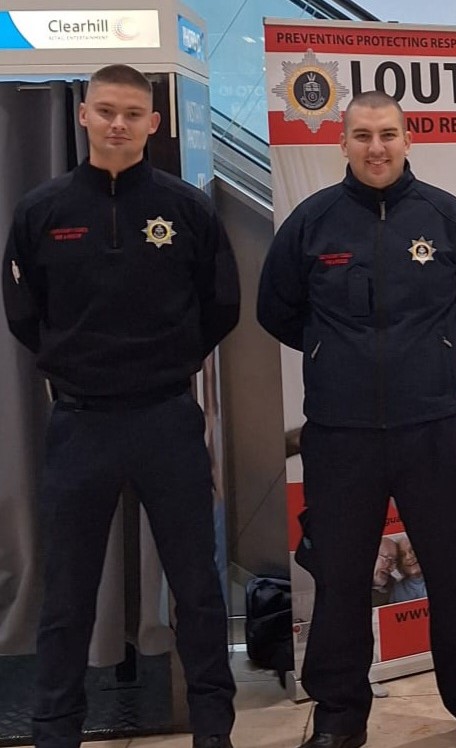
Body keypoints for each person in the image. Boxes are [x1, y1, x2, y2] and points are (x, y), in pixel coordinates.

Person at [256, 90, 456, 748]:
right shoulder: (311, 222)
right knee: (341, 581)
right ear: (342, 143)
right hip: (341, 434)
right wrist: (335, 354)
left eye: (388, 134)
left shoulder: (448, 218)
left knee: (455, 573)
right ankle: (338, 722)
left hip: (435, 426)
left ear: (407, 139)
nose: (376, 147)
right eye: (363, 135)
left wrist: (433, 354)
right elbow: (276, 310)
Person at [1, 64, 239, 748]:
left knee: (196, 586)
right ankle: (55, 731)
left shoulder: (187, 209)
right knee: (67, 592)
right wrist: (78, 362)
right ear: (83, 113)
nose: (117, 124)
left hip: (166, 417)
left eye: (133, 114)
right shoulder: (42, 211)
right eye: (105, 110)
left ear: (153, 123)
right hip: (81, 422)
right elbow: (23, 312)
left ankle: (214, 731)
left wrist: (165, 361)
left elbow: (221, 304)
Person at [390, 536, 427, 604]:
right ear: (399, 563)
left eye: (412, 550)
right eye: (402, 555)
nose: (409, 557)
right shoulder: (395, 589)